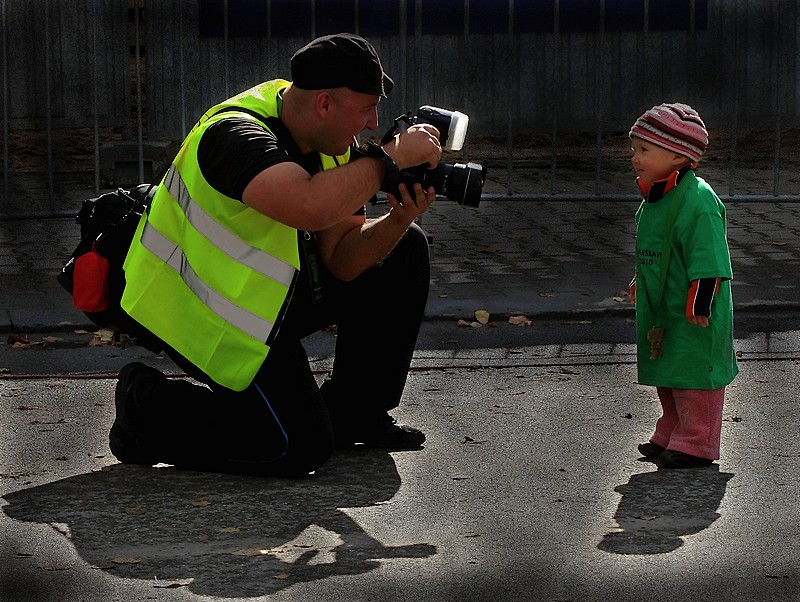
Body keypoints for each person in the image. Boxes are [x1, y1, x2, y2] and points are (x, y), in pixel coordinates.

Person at [109, 33, 444, 477]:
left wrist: (399, 218)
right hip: (197, 312)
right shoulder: (236, 134)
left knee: (406, 247)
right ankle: (147, 408)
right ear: (324, 104)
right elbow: (309, 204)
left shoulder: (329, 143)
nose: (372, 122)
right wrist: (387, 160)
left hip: (256, 303)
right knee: (296, 447)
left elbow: (342, 260)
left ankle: (356, 416)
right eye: (366, 108)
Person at [627, 102, 739, 469]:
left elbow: (709, 257)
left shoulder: (698, 200)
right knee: (669, 371)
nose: (635, 157)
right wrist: (640, 281)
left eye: (645, 150)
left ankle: (698, 439)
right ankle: (673, 427)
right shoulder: (656, 196)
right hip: (666, 305)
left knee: (694, 373)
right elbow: (657, 249)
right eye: (635, 149)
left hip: (694, 308)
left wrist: (701, 300)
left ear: (678, 156)